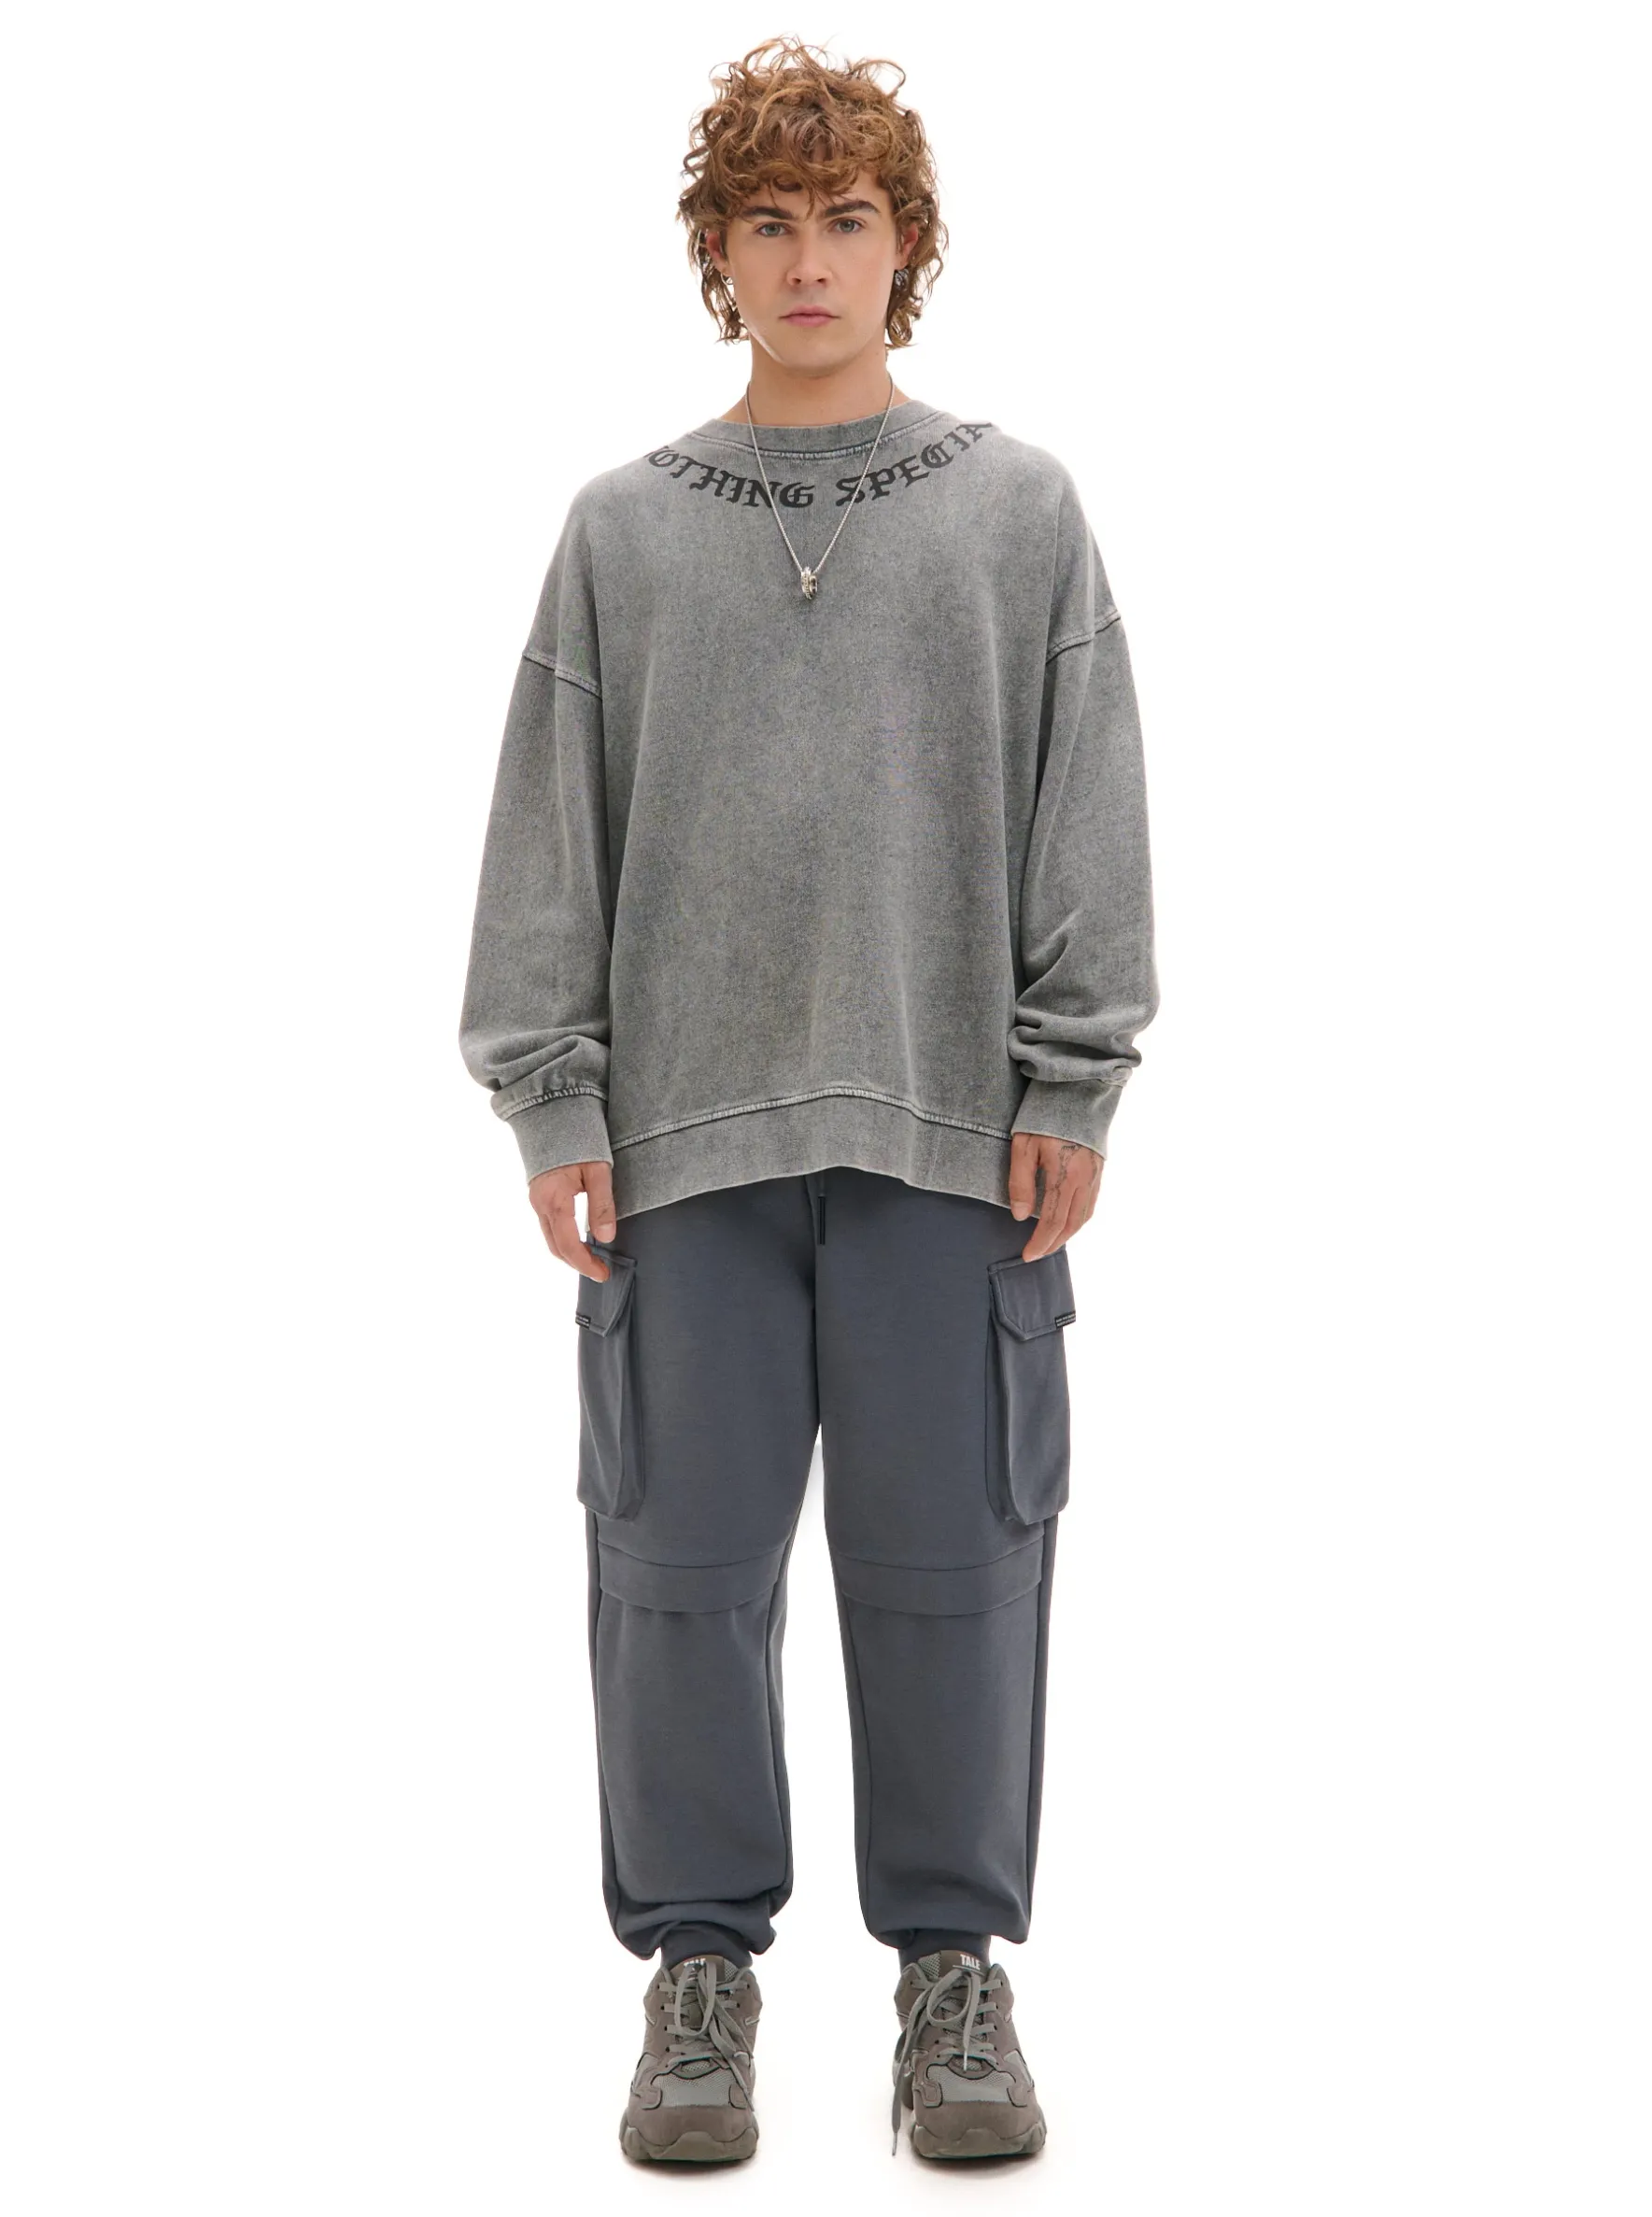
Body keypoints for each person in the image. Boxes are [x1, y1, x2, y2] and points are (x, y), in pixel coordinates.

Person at [459, 34, 1158, 2164]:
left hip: (953, 1138)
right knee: (675, 1562)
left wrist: (1074, 1072)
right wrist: (554, 1103)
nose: (808, 260)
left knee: (955, 1563)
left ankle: (953, 1974)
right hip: (685, 1154)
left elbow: (1085, 807)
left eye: (846, 218)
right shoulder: (623, 533)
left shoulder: (1018, 514)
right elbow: (548, 835)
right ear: (718, 253)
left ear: (905, 243)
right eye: (766, 222)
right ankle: (698, 1971)